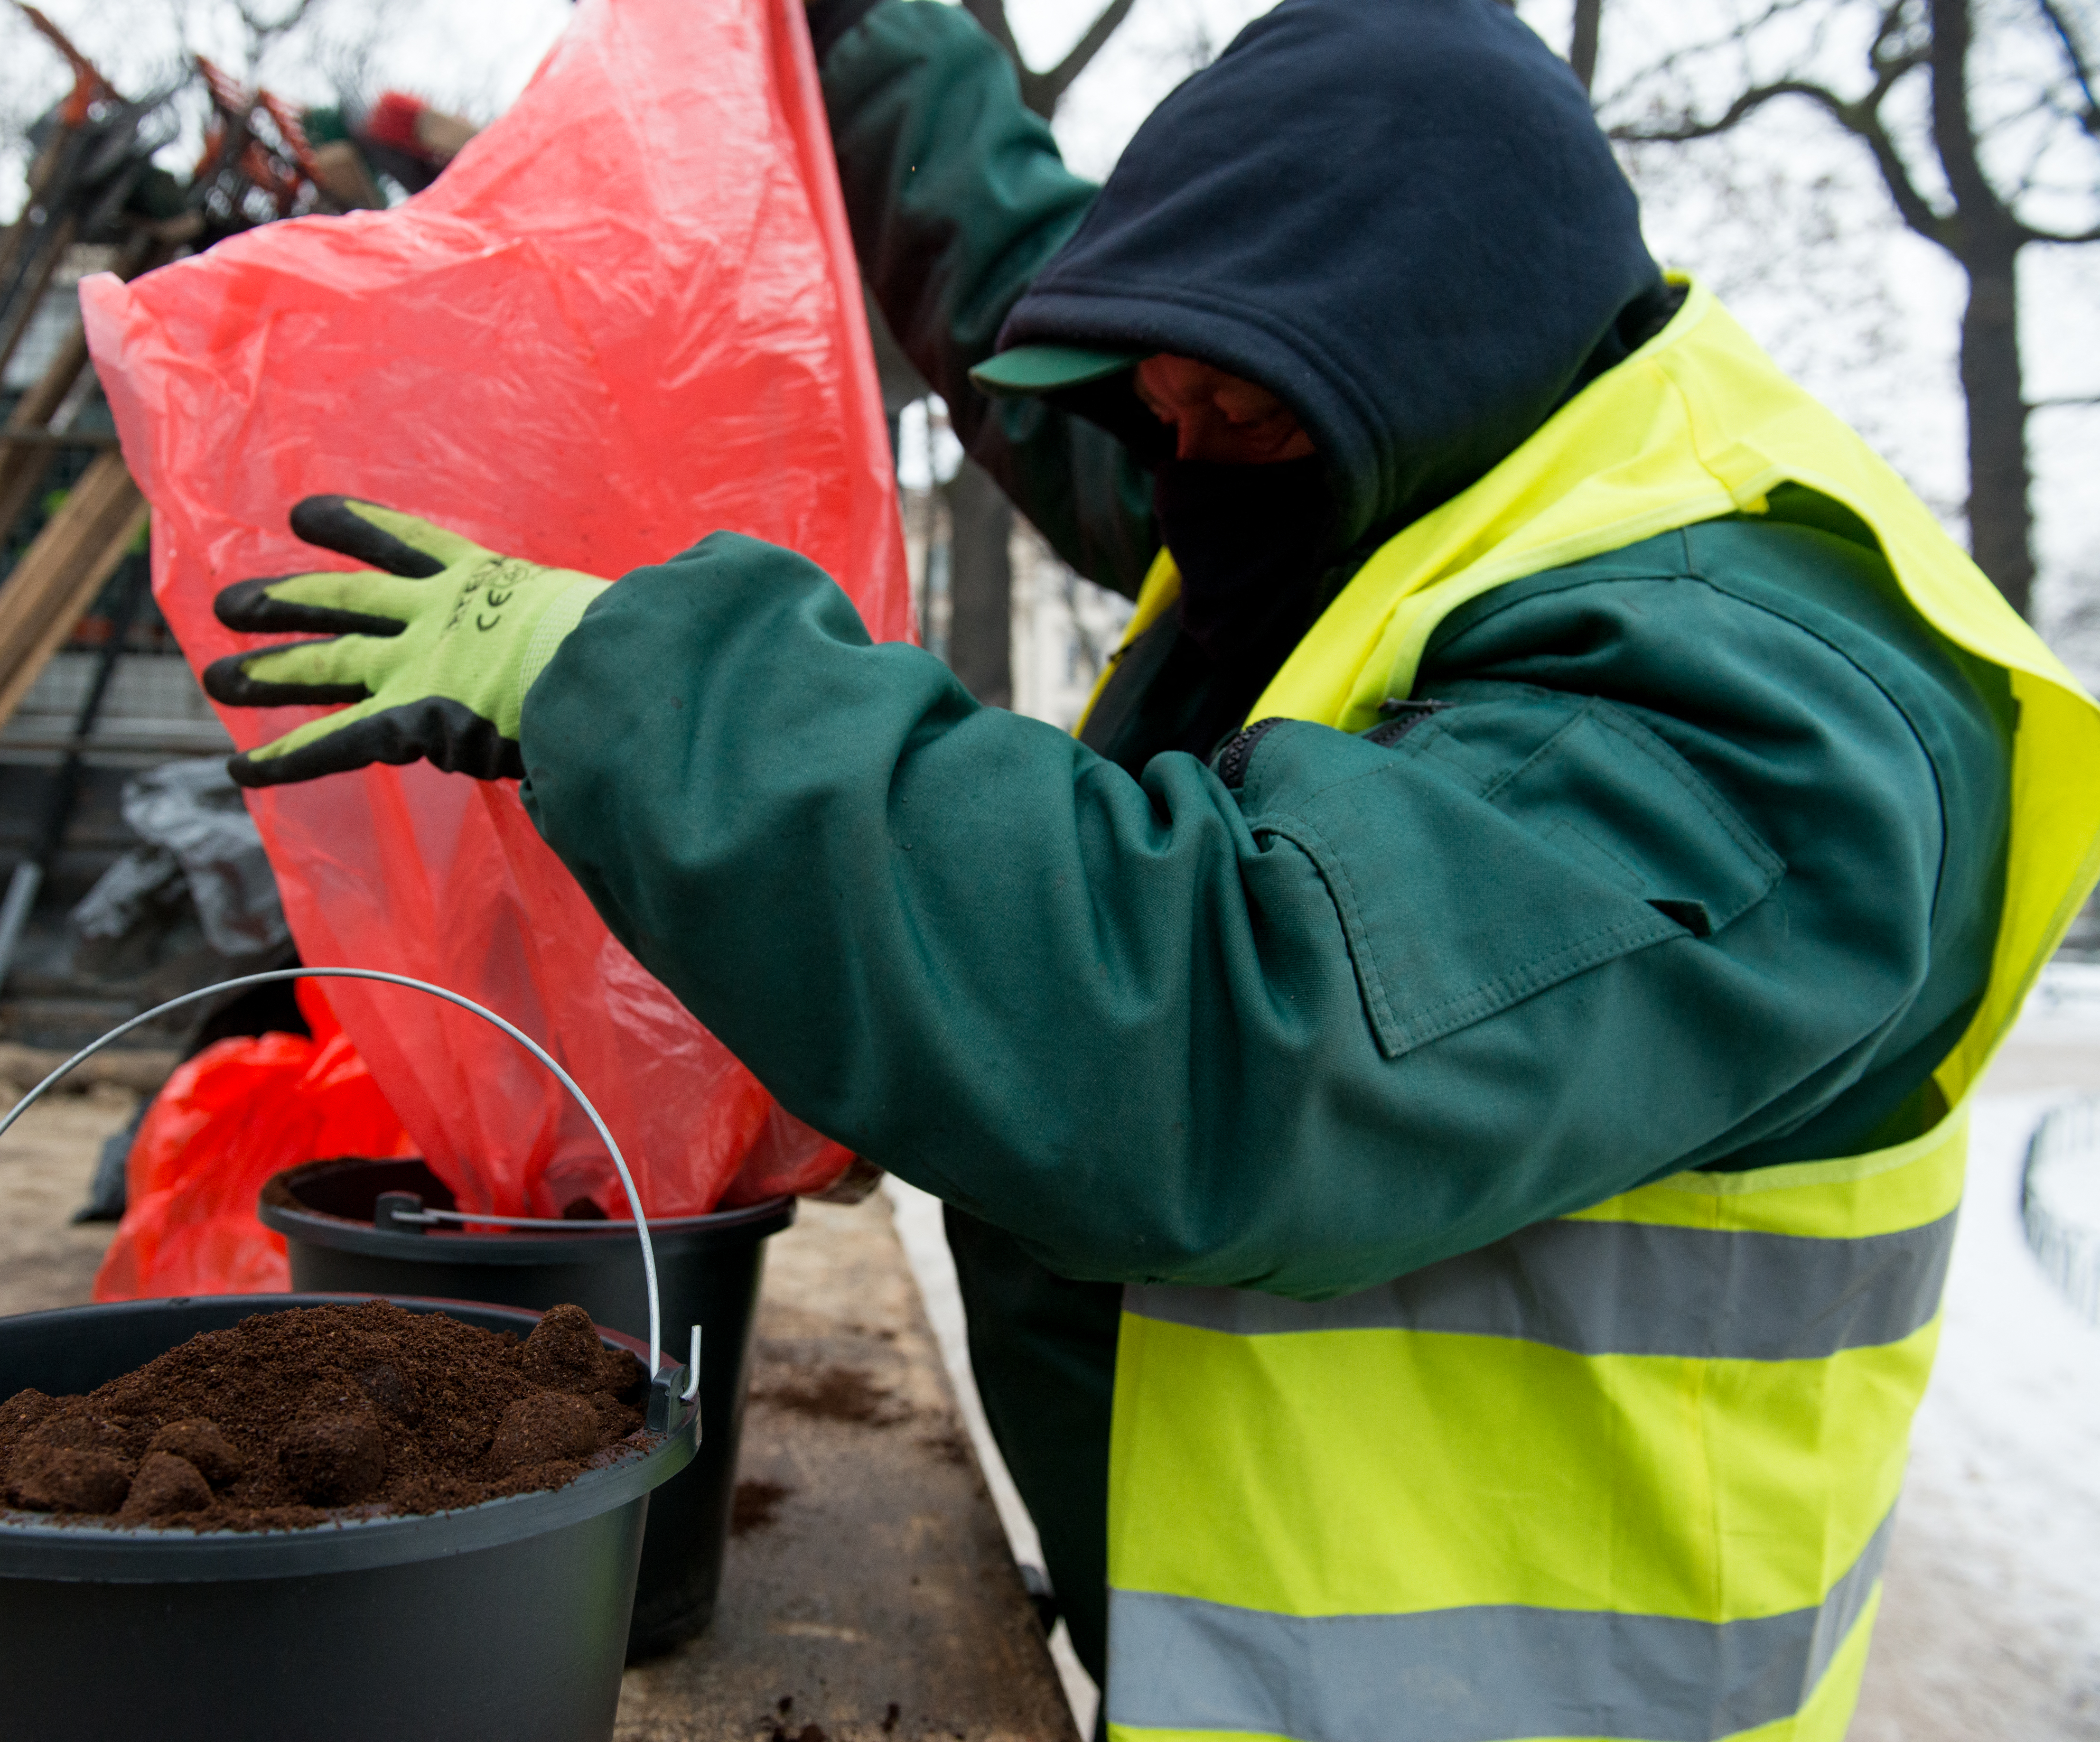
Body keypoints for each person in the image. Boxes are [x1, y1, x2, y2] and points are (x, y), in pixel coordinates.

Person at [204, 1, 2100, 1736]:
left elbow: (1226, 1037)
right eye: (1165, 416)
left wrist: (628, 682)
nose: (1175, 468)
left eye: (1233, 418)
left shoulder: (1765, 705)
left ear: (1404, 368)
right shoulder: (1385, 467)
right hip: (1243, 1659)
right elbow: (1065, 311)